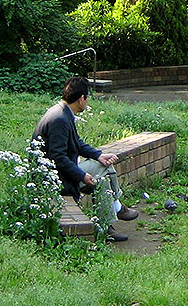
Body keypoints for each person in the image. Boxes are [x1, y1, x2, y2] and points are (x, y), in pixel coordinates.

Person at [32, 76, 136, 241]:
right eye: (87, 98)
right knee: (101, 179)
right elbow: (57, 157)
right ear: (81, 98)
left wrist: (98, 155)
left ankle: (115, 208)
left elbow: (77, 143)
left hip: (62, 171)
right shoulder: (59, 119)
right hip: (56, 179)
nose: (87, 102)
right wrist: (81, 176)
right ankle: (108, 223)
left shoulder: (63, 111)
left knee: (105, 165)